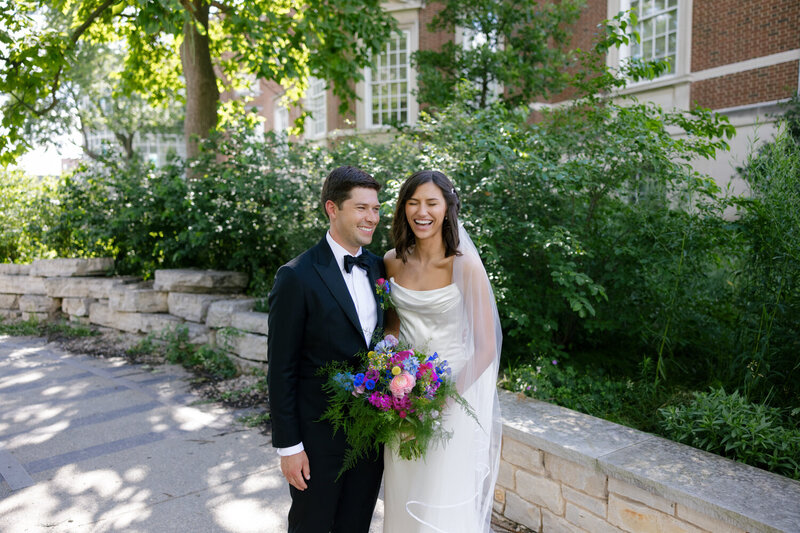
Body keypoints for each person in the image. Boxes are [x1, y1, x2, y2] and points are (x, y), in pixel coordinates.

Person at [382, 170, 502, 533]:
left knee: (439, 504)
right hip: (400, 399)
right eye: (413, 202)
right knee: (403, 495)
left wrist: (442, 400)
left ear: (447, 208)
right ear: (403, 208)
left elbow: (486, 347)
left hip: (449, 401)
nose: (422, 211)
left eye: (431, 203)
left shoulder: (464, 265)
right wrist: (385, 371)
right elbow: (392, 327)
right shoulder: (391, 261)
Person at [268, 165, 386, 533]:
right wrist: (288, 448)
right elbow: (280, 369)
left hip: (369, 437)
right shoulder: (297, 276)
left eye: (376, 209)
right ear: (332, 209)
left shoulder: (379, 267)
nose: (372, 218)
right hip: (317, 442)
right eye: (361, 208)